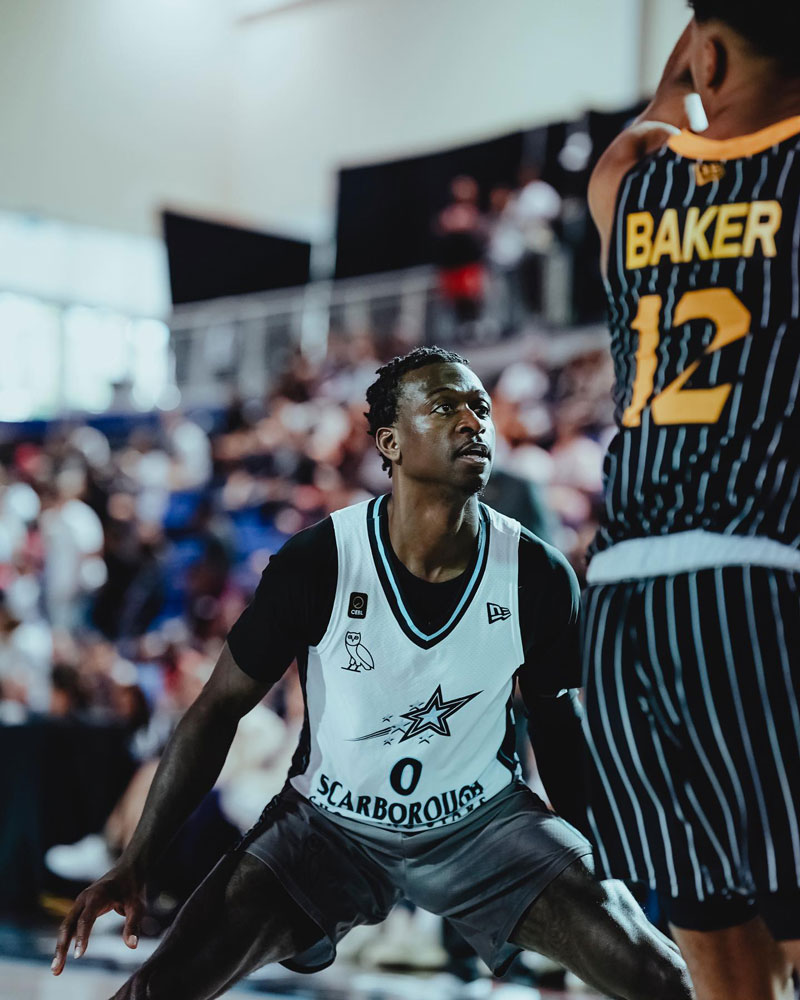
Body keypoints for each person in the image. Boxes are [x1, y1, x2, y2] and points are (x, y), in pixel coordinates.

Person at [52, 346, 691, 1000]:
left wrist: (593, 852)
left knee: (659, 975)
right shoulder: (320, 561)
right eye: (446, 407)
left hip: (481, 824)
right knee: (156, 991)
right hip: (328, 825)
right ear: (390, 442)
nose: (474, 422)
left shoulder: (539, 573)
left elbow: (555, 716)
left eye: (481, 408)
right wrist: (138, 860)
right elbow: (218, 707)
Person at [583, 5, 800, 999]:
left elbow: (662, 105)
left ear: (706, 52)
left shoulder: (629, 180)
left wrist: (695, 39)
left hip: (622, 601)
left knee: (708, 920)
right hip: (759, 580)